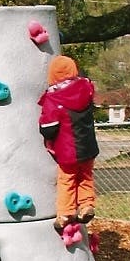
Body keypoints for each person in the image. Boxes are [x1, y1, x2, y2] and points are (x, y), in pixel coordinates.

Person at [38, 54, 99, 229]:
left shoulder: (54, 98)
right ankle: (87, 205)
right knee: (85, 176)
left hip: (68, 150)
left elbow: (49, 126)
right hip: (88, 147)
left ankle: (66, 213)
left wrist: (45, 133)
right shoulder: (86, 88)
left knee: (67, 180)